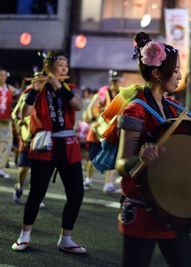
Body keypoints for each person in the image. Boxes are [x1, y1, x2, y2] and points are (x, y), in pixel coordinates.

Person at [114, 32, 191, 267]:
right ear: (158, 73)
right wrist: (141, 157)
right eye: (176, 70)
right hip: (143, 207)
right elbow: (122, 164)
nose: (180, 75)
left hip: (171, 206)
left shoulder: (172, 108)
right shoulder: (135, 110)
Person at [11, 51, 86, 253]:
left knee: (76, 194)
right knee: (36, 193)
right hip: (45, 145)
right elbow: (23, 113)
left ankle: (66, 238)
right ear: (49, 68)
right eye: (61, 65)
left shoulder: (69, 87)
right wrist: (35, 90)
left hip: (68, 145)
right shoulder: (36, 87)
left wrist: (58, 86)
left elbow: (78, 106)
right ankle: (24, 235)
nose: (65, 69)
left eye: (66, 66)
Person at [83, 70, 122, 193]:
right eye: (118, 80)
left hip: (111, 130)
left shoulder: (120, 95)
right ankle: (88, 179)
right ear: (113, 81)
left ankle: (108, 184)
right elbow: (91, 109)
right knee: (92, 158)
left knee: (110, 157)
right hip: (99, 130)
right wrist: (94, 121)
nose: (120, 82)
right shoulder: (103, 93)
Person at [0, 66, 16, 178]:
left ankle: (0, 167)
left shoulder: (10, 89)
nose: (3, 77)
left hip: (6, 121)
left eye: (5, 75)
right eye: (1, 75)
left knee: (8, 144)